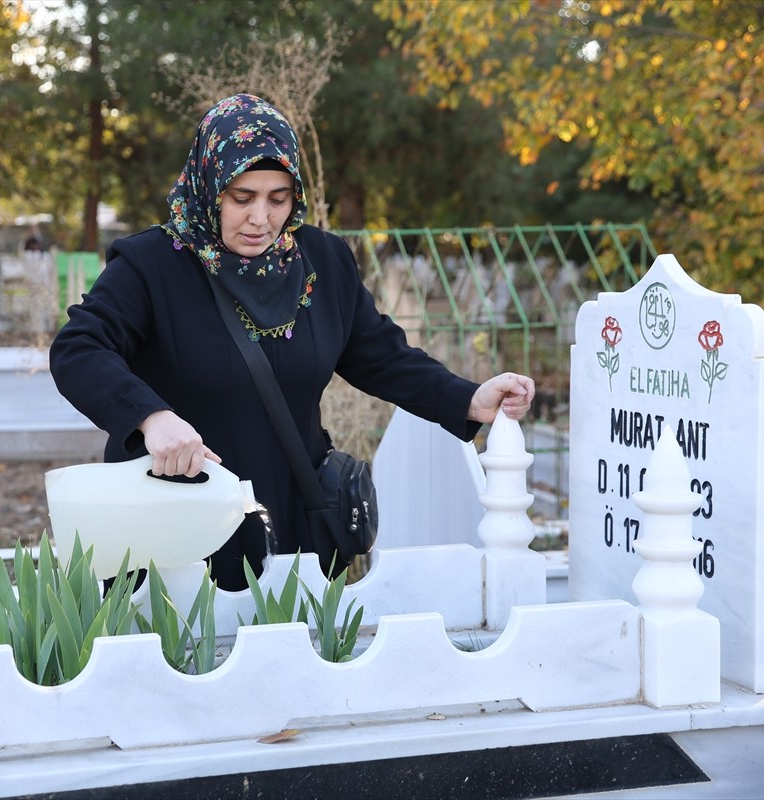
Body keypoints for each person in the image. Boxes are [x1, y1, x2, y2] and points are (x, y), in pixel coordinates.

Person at [49, 93, 535, 591]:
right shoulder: (152, 265)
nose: (261, 218)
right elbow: (79, 348)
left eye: (278, 198)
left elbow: (381, 356)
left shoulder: (321, 260)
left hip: (293, 528)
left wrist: (469, 398)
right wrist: (151, 418)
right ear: (209, 185)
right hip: (179, 530)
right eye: (242, 198)